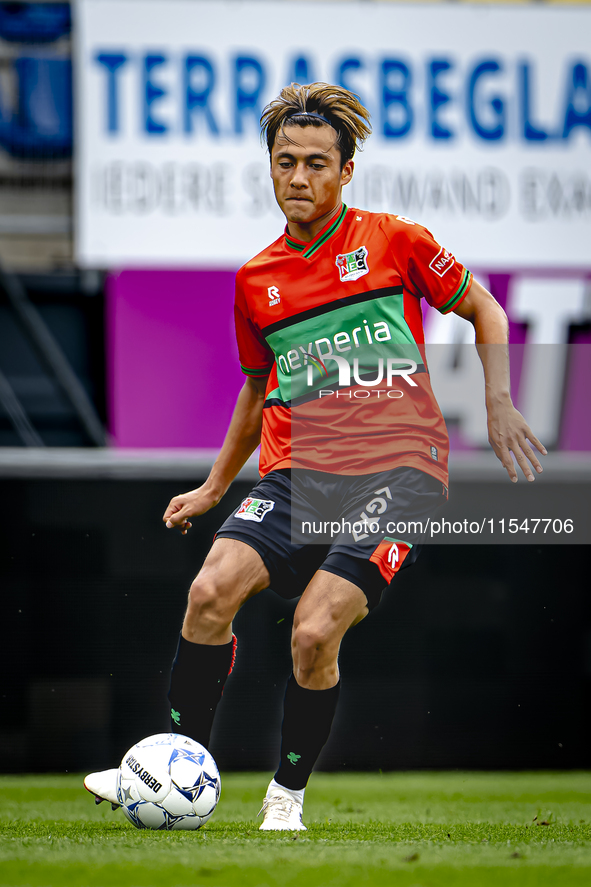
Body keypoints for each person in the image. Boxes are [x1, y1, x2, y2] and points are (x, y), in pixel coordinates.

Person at [85, 82, 545, 830]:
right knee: (208, 593)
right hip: (299, 474)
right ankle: (174, 765)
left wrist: (495, 400)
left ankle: (285, 795)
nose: (298, 178)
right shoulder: (255, 280)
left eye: (316, 164)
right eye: (284, 161)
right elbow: (256, 388)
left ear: (346, 170)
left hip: (401, 473)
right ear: (269, 167)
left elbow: (483, 306)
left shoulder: (396, 242)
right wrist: (212, 486)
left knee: (311, 629)